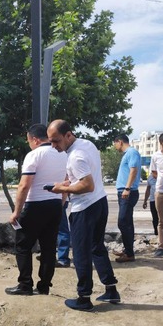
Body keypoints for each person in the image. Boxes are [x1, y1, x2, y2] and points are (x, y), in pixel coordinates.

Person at [48, 119, 120, 311]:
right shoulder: (87, 144)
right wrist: (66, 184)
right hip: (100, 203)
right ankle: (111, 289)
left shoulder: (75, 156)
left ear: (68, 135)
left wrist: (61, 189)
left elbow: (87, 185)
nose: (54, 146)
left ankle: (84, 298)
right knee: (97, 247)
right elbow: (84, 178)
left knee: (80, 253)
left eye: (56, 141)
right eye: (51, 142)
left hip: (85, 208)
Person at [4, 124, 67, 296]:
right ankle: (44, 286)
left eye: (29, 141)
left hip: (35, 205)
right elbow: (67, 183)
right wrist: (60, 204)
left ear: (35, 139)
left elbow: (24, 185)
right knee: (48, 247)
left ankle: (24, 284)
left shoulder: (34, 154)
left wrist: (16, 212)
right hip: (54, 205)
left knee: (23, 246)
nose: (29, 144)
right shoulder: (64, 154)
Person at [113, 134, 141, 263]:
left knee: (123, 221)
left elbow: (133, 170)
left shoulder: (132, 152)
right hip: (124, 192)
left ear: (119, 142)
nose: (115, 147)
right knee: (127, 222)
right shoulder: (128, 154)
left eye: (115, 143)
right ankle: (128, 250)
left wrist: (127, 188)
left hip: (128, 192)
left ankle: (129, 253)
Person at [56, 201, 72, 268]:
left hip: (59, 199)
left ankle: (63, 259)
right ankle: (48, 256)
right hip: (50, 199)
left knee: (62, 230)